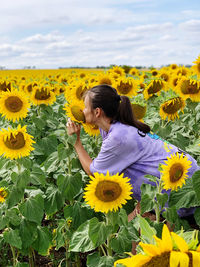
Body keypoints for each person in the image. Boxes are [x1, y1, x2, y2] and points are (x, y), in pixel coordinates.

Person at [66, 84, 199, 219]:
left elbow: (94, 172)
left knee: (139, 234)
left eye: (85, 107)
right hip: (177, 179)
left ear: (97, 112)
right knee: (133, 228)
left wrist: (76, 142)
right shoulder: (118, 124)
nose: (82, 111)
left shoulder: (118, 137)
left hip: (182, 189)